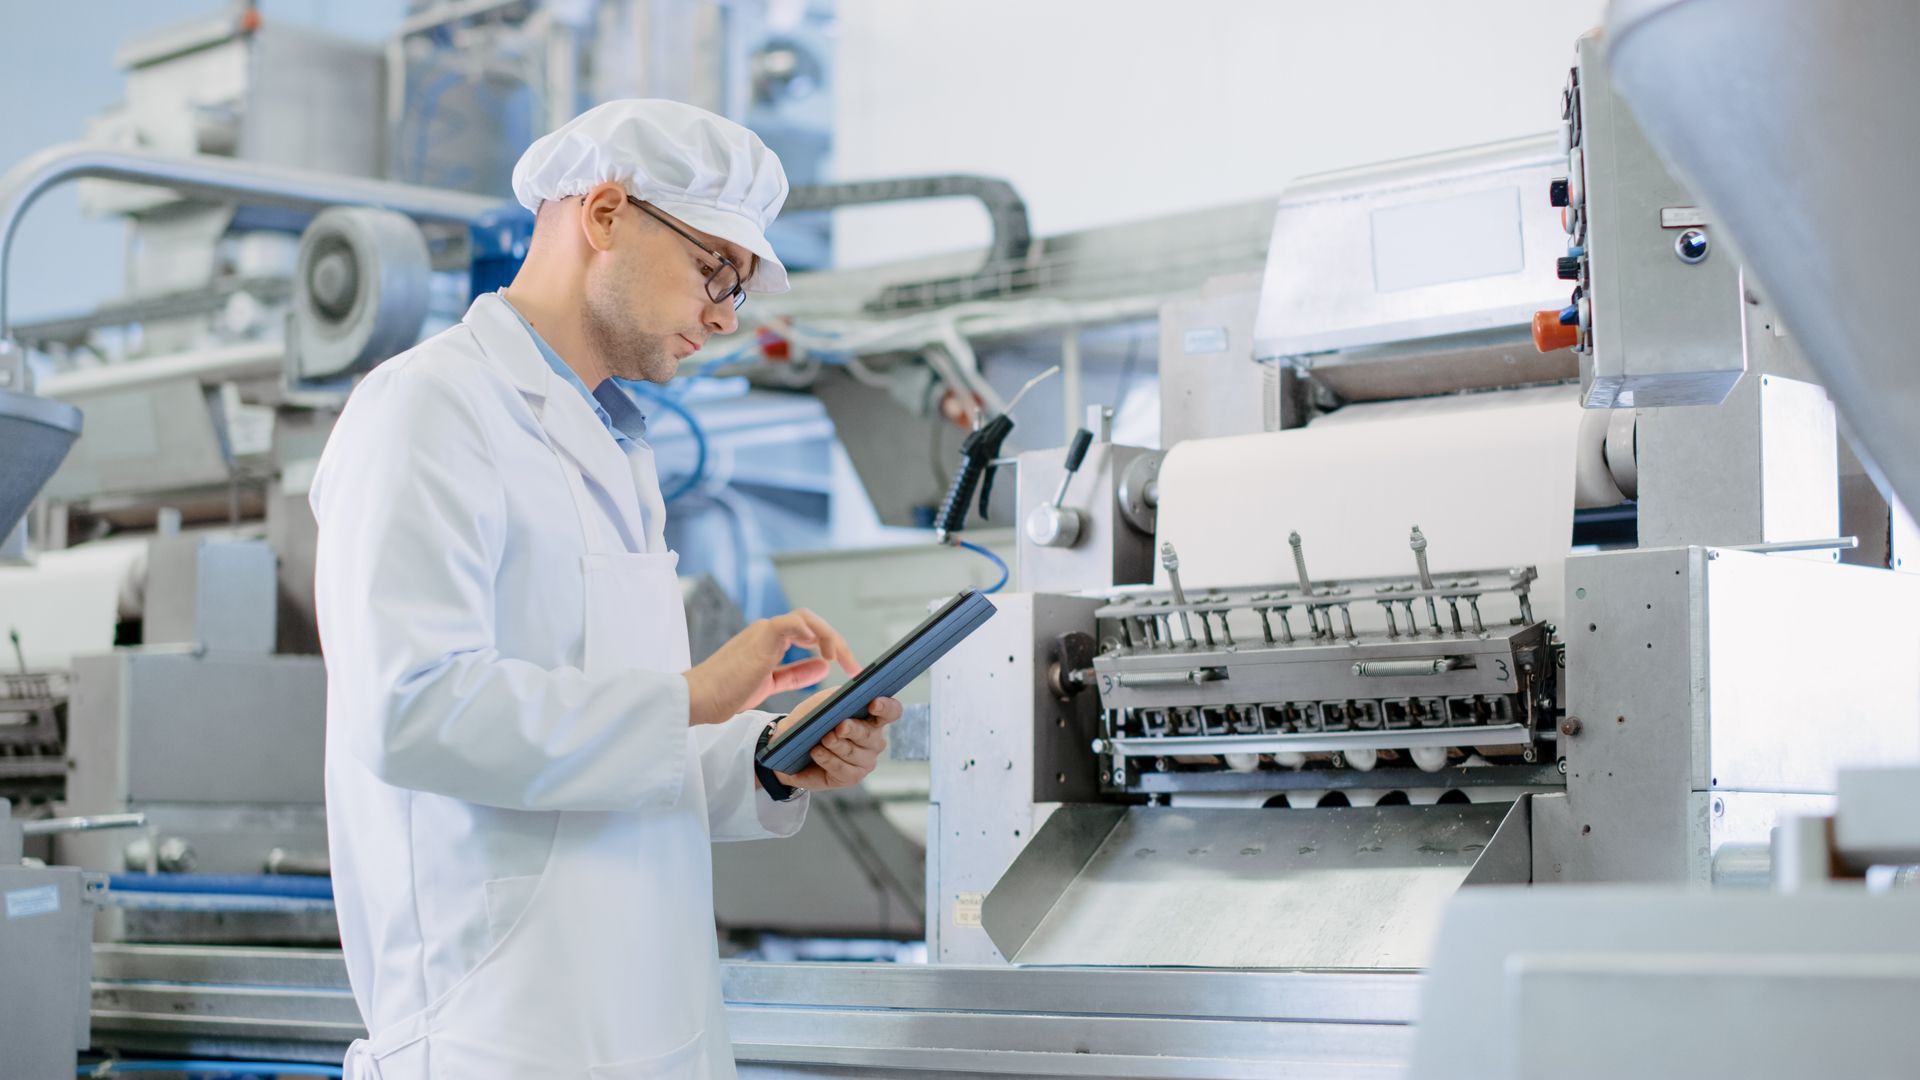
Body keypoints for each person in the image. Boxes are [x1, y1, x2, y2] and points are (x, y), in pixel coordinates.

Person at [310, 99, 898, 1080]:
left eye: (739, 287)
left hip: (644, 1026)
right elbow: (410, 712)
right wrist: (695, 695)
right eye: (717, 269)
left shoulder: (618, 448)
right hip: (496, 1035)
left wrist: (766, 756)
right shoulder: (428, 409)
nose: (724, 312)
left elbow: (619, 760)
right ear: (607, 214)